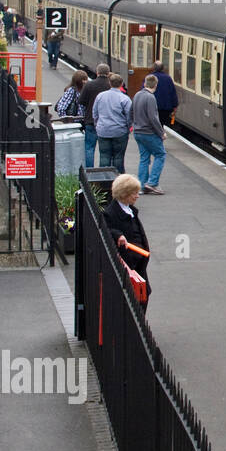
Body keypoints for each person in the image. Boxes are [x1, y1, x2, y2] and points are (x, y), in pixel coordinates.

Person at [103, 174, 151, 309]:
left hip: (138, 262)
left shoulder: (129, 210)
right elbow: (106, 228)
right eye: (134, 193)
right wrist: (117, 235)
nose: (137, 196)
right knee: (138, 297)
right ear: (124, 194)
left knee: (144, 294)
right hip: (130, 263)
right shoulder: (111, 213)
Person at [132, 74, 167, 193]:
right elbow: (153, 118)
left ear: (145, 83)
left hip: (138, 132)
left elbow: (131, 112)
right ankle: (152, 182)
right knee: (160, 154)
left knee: (144, 158)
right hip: (148, 132)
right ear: (155, 85)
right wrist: (161, 133)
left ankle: (141, 185)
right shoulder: (150, 98)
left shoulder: (137, 95)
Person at [92, 73, 133, 174]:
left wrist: (97, 125)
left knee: (104, 156)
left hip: (103, 130)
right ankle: (118, 179)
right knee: (118, 157)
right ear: (121, 84)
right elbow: (129, 116)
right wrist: (128, 128)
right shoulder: (125, 99)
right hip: (119, 131)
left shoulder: (100, 96)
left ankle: (103, 178)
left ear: (109, 83)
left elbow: (95, 113)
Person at [79, 64, 112, 167]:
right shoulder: (111, 86)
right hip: (107, 123)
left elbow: (81, 101)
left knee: (89, 148)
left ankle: (89, 171)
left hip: (91, 121)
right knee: (105, 151)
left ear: (97, 73)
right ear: (108, 73)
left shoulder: (89, 85)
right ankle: (104, 172)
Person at [151, 61, 178, 129]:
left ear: (153, 68)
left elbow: (143, 91)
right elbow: (173, 93)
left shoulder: (150, 78)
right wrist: (175, 106)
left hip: (152, 107)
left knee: (152, 125)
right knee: (161, 124)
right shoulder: (168, 78)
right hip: (165, 108)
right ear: (163, 68)